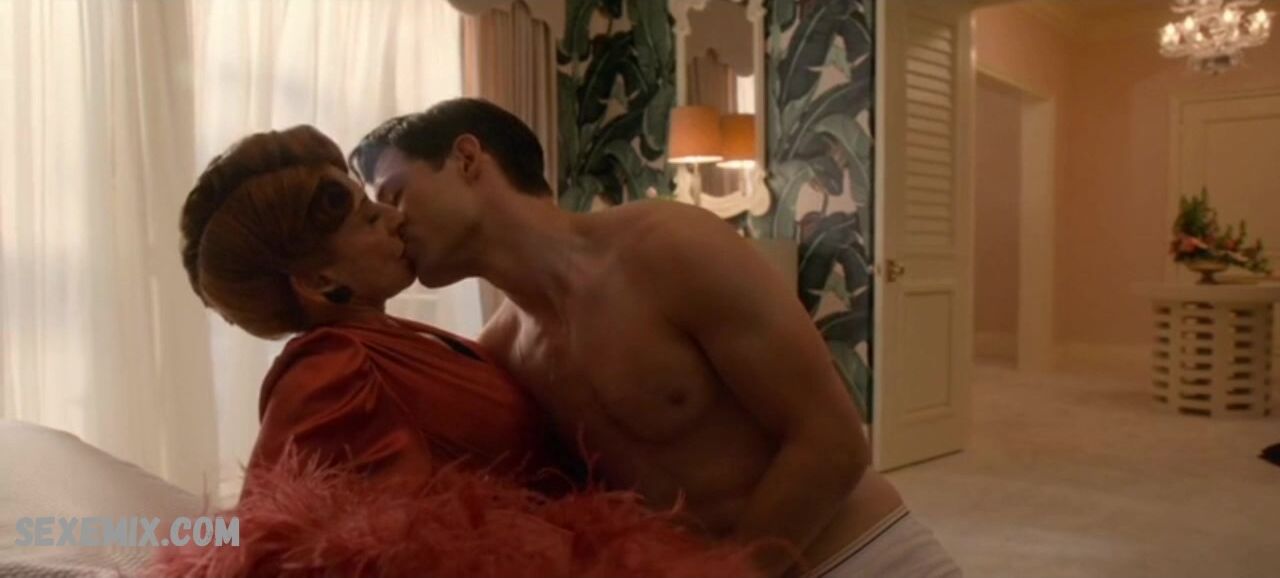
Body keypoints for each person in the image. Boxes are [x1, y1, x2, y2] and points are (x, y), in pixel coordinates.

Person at [350, 98, 962, 578]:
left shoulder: (668, 247)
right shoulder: (504, 351)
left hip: (861, 556)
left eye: (394, 194)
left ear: (467, 158)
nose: (391, 223)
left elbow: (833, 442)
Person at [170, 125, 757, 577]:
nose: (395, 219)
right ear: (320, 281)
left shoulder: (410, 341)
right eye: (369, 216)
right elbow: (276, 541)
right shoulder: (336, 365)